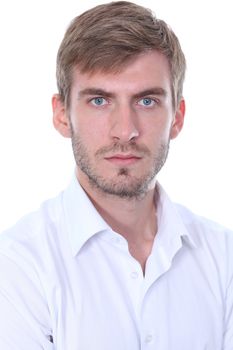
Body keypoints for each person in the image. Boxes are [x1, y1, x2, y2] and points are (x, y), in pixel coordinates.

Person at [0, 1, 232, 349]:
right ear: (62, 115)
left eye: (146, 101)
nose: (125, 131)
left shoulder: (224, 257)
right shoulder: (17, 265)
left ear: (178, 117)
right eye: (99, 101)